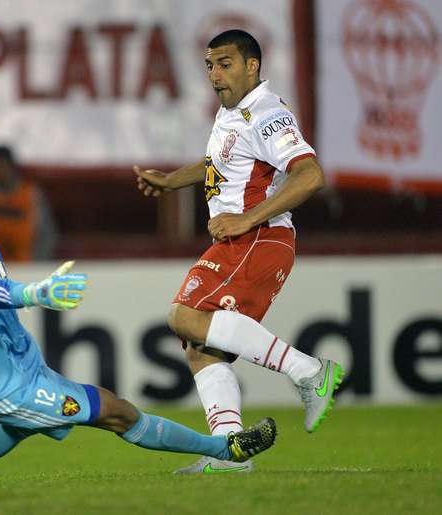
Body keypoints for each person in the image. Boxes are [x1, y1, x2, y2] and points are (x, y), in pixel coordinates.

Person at [0, 157, 277, 486]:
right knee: (115, 412)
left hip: (19, 360)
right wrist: (38, 293)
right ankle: (228, 449)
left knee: (18, 425)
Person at [134, 30, 344, 475]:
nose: (214, 74)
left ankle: (309, 372)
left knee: (183, 316)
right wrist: (172, 181)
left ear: (253, 66)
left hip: (260, 238)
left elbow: (310, 176)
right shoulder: (233, 112)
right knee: (199, 347)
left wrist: (248, 219)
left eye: (225, 63)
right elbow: (222, 164)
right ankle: (228, 452)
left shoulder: (267, 113)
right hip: (239, 241)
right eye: (209, 64)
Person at [0, 145, 56, 261]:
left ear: (13, 169)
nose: (0, 173)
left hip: (23, 268)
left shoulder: (30, 195)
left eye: (4, 167)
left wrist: (37, 266)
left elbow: (46, 235)